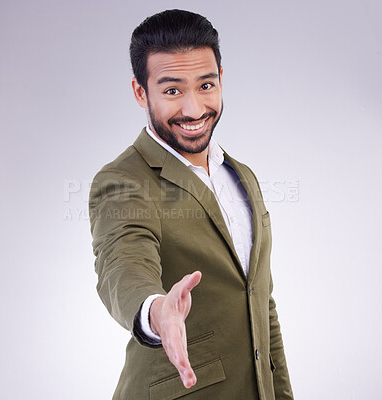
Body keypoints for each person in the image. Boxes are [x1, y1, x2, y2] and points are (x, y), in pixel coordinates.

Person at [89, 9, 294, 400]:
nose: (194, 109)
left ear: (221, 80)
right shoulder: (123, 181)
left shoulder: (241, 175)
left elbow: (260, 300)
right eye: (171, 91)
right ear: (140, 92)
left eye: (205, 85)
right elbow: (122, 263)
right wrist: (155, 311)